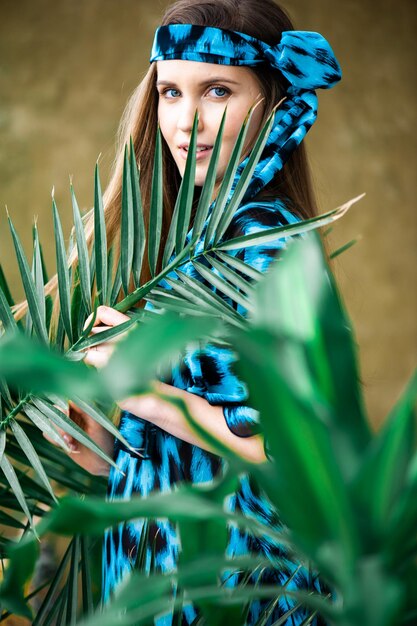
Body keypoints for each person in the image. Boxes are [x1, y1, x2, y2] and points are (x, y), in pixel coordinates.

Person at [46, 0, 342, 623]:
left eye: (217, 90)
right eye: (171, 92)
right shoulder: (189, 245)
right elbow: (167, 456)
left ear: (274, 101)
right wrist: (88, 430)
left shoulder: (268, 242)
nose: (187, 121)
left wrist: (142, 390)